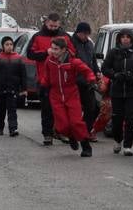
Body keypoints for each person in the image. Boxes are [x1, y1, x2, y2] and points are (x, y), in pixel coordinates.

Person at [40, 37, 95, 157]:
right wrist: (43, 84)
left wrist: (91, 79)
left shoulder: (73, 61)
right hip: (56, 96)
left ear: (64, 49)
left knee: (76, 122)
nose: (53, 51)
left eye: (56, 49)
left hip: (71, 94)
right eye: (52, 48)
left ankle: (85, 145)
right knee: (62, 125)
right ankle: (71, 136)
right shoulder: (49, 61)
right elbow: (46, 77)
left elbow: (87, 71)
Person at [26, 12, 75, 145]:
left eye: (55, 26)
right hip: (44, 78)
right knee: (47, 108)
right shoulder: (37, 37)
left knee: (62, 109)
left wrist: (62, 54)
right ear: (46, 23)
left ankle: (60, 131)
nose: (53, 28)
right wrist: (45, 53)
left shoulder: (65, 36)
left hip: (62, 80)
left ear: (59, 24)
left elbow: (73, 53)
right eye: (51, 26)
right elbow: (29, 54)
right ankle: (47, 133)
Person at [102, 28, 133, 156]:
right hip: (117, 91)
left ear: (131, 39)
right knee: (117, 119)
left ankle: (128, 146)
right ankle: (118, 140)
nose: (125, 39)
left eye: (128, 37)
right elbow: (105, 68)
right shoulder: (113, 53)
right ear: (119, 39)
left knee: (130, 119)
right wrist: (115, 75)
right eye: (123, 37)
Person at [0, 36, 27, 136]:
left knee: (12, 111)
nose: (9, 46)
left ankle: (13, 129)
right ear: (3, 46)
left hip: (13, 90)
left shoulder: (18, 58)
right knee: (0, 111)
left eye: (11, 44)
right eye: (7, 45)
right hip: (0, 90)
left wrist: (24, 89)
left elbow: (23, 75)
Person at [71, 21, 103, 138]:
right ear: (78, 33)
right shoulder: (71, 43)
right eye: (84, 34)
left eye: (88, 34)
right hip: (75, 81)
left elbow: (93, 61)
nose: (86, 37)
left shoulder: (89, 44)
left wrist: (97, 72)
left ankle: (85, 131)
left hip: (88, 82)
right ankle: (73, 131)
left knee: (92, 108)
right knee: (75, 109)